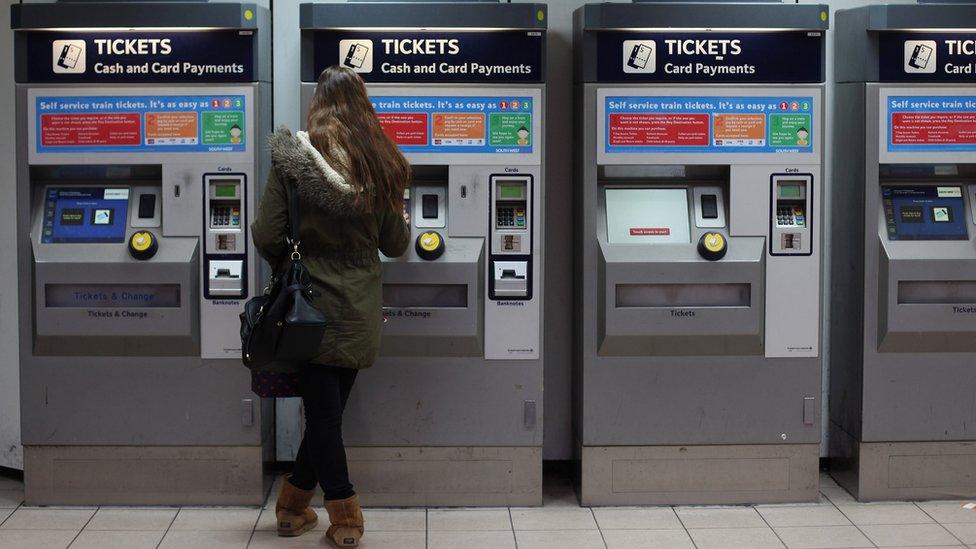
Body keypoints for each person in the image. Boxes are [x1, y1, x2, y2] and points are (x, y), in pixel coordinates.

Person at [251, 65, 411, 547]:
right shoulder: (382, 161)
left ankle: (299, 509)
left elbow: (265, 233)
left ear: (317, 104)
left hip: (306, 307)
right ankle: (341, 515)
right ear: (363, 105)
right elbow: (396, 241)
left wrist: (296, 261)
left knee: (324, 415)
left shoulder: (293, 158)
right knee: (327, 414)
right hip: (358, 303)